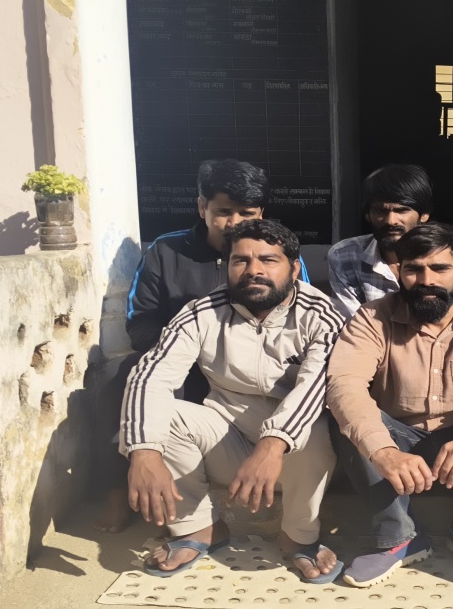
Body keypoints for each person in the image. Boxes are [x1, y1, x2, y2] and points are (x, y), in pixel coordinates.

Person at [120, 219, 344, 582]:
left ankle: (299, 536)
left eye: (268, 260)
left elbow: (315, 387)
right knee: (166, 417)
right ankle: (198, 528)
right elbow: (151, 375)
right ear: (227, 266)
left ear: (294, 268)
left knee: (315, 431)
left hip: (295, 452)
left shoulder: (319, 313)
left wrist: (273, 443)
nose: (254, 270)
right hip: (228, 437)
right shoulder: (201, 312)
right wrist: (143, 452)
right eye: (241, 260)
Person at [326, 223, 453, 588]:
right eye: (414, 269)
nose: (426, 280)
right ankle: (398, 536)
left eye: (440, 268)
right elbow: (346, 384)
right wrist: (383, 450)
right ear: (398, 272)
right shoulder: (372, 317)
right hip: (399, 436)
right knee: (350, 424)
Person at [92, 159, 274, 533]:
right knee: (120, 376)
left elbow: (295, 316)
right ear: (202, 206)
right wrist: (186, 350)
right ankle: (117, 487)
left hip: (249, 368)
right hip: (181, 363)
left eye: (247, 213)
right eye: (224, 211)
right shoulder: (166, 251)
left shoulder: (277, 252)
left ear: (261, 213)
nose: (235, 222)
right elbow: (140, 321)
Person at [327, 164, 453, 319]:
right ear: (367, 215)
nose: (391, 220)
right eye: (380, 211)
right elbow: (351, 322)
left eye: (402, 210)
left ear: (424, 214)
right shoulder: (345, 256)